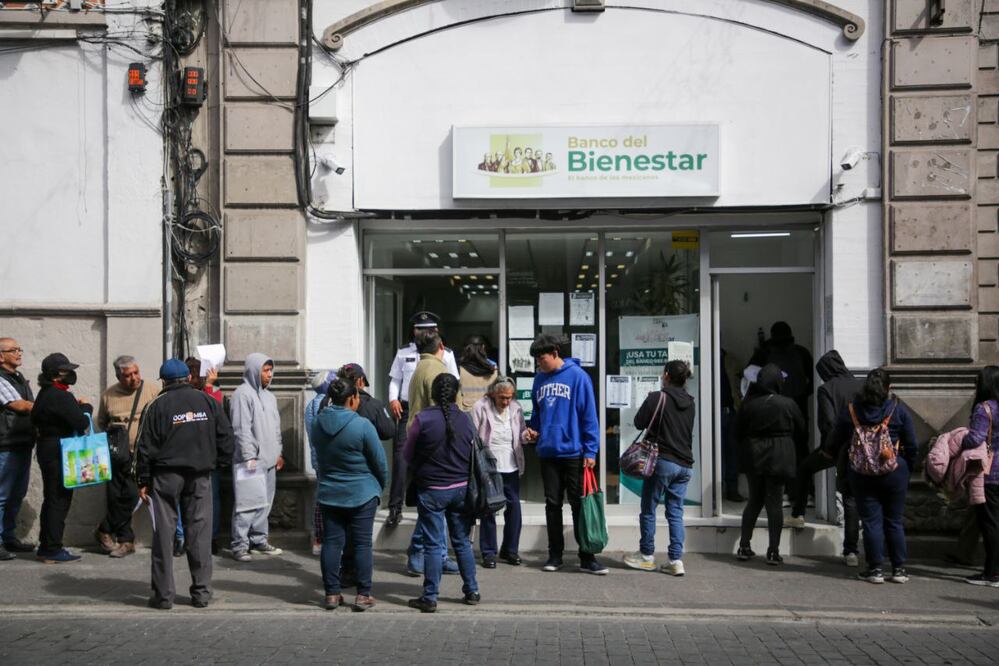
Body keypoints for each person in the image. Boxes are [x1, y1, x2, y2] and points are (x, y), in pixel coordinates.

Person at [135, 359, 234, 609]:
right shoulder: (208, 401)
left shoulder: (155, 405)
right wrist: (218, 463)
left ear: (164, 381)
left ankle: (163, 596)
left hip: (166, 475)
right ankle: (201, 593)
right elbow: (226, 437)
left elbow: (144, 447)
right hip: (200, 475)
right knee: (200, 534)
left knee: (164, 534)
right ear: (188, 378)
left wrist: (142, 480)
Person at [522, 334, 605, 575]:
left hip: (574, 452)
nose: (539, 363)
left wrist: (591, 450)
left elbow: (589, 415)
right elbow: (537, 413)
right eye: (537, 360)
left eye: (542, 358)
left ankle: (587, 556)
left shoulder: (578, 377)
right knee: (552, 504)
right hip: (548, 451)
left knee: (579, 505)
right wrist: (533, 430)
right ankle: (554, 555)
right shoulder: (539, 379)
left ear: (555, 353)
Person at [825, 368, 917, 584]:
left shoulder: (852, 411)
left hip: (861, 473)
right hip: (894, 471)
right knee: (894, 520)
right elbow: (912, 445)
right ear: (888, 388)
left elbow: (835, 440)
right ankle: (899, 569)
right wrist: (906, 467)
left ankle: (875, 569)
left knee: (871, 521)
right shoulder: (898, 410)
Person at [310, 377, 388, 611]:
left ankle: (332, 594)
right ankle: (363, 594)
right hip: (361, 492)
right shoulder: (362, 425)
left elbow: (319, 455)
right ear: (353, 398)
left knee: (332, 543)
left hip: (330, 491)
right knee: (362, 544)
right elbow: (380, 462)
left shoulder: (317, 423)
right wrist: (379, 486)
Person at [405, 374, 480, 612]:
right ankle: (472, 590)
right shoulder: (466, 420)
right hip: (461, 489)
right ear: (457, 394)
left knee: (434, 545)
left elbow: (407, 454)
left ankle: (430, 597)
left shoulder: (423, 419)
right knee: (462, 542)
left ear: (433, 394)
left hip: (432, 490)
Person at [786, 350, 863, 567]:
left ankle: (798, 514)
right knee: (851, 499)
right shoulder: (861, 385)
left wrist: (828, 449)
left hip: (838, 448)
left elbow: (828, 422)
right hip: (863, 450)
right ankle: (851, 551)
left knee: (805, 468)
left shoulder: (826, 389)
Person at [386, 311, 459, 527]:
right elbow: (395, 379)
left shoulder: (445, 353)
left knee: (435, 455)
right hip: (408, 409)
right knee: (401, 458)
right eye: (420, 329)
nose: (423, 333)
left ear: (435, 331)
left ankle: (433, 503)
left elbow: (454, 381)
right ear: (414, 330)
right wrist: (393, 399)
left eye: (428, 329)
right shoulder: (403, 353)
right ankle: (395, 507)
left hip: (435, 409)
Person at [623, 360, 695, 576]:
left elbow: (639, 422)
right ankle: (675, 560)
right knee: (675, 513)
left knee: (649, 509)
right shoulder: (690, 402)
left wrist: (650, 404)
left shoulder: (657, 397)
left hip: (663, 461)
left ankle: (646, 556)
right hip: (685, 465)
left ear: (666, 376)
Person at [735, 363, 806, 566]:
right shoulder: (788, 404)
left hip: (754, 454)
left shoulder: (749, 404)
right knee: (774, 504)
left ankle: (744, 545)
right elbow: (801, 429)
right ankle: (773, 551)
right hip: (780, 455)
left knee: (754, 501)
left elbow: (737, 431)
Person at [404, 331, 460, 576]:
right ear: (442, 347)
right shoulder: (437, 370)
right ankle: (421, 552)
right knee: (436, 503)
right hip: (435, 443)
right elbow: (444, 410)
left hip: (421, 440)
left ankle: (433, 554)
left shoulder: (420, 368)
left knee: (434, 503)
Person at [93, 355, 158, 559]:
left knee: (132, 495)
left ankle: (104, 528)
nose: (134, 378)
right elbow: (102, 422)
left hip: (142, 455)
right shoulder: (109, 395)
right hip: (117, 454)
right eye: (128, 375)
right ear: (119, 377)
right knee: (114, 497)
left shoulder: (152, 390)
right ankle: (126, 540)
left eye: (136, 372)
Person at [31, 353, 92, 564]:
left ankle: (47, 546)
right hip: (58, 451)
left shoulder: (45, 393)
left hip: (47, 449)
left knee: (51, 498)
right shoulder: (60, 396)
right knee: (59, 500)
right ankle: (52, 549)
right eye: (66, 370)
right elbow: (80, 423)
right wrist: (86, 408)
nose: (70, 374)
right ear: (55, 374)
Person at [751, 322, 814, 506]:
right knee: (800, 450)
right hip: (798, 406)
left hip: (772, 409)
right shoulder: (801, 352)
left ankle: (784, 492)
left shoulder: (765, 353)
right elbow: (813, 379)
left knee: (777, 453)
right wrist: (802, 394)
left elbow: (750, 375)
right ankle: (804, 493)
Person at [230, 353, 284, 562]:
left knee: (264, 504)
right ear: (254, 370)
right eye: (265, 370)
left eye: (271, 370)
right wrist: (248, 457)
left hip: (269, 460)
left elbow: (276, 428)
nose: (270, 374)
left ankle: (259, 540)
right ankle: (239, 545)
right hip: (250, 460)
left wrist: (278, 453)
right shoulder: (241, 394)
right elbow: (241, 428)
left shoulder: (270, 397)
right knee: (246, 504)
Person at [471, 376, 526, 568]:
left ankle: (510, 549)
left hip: (511, 464)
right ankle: (488, 552)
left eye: (509, 397)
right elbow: (473, 436)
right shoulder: (481, 407)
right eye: (502, 397)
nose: (506, 401)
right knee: (489, 508)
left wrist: (527, 435)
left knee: (514, 507)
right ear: (494, 394)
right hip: (489, 466)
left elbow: (521, 434)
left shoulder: (516, 408)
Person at [174, 357, 226, 557]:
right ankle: (187, 537)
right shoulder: (183, 395)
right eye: (193, 375)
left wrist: (211, 387)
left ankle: (204, 537)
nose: (196, 379)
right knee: (190, 497)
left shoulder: (211, 392)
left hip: (203, 454)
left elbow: (216, 413)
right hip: (193, 454)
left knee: (209, 499)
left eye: (199, 375)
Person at [960, 366, 999, 587]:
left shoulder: (984, 409)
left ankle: (992, 573)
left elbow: (975, 438)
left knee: (990, 524)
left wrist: (957, 439)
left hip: (990, 472)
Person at [0, 338, 36, 560]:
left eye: (19, 349)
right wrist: (52, 405)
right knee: (2, 495)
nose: (19, 353)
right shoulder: (1, 379)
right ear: (0, 356)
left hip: (22, 443)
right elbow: (20, 405)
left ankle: (9, 538)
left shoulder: (18, 378)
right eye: (13, 350)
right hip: (6, 446)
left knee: (16, 495)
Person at [305, 369, 335, 556]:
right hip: (326, 459)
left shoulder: (311, 404)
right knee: (324, 499)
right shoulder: (324, 404)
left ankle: (319, 538)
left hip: (317, 458)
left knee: (321, 495)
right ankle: (321, 538)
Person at [458, 336, 497, 412]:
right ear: (483, 347)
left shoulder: (459, 368)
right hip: (488, 411)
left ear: (466, 349)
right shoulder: (494, 368)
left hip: (467, 411)